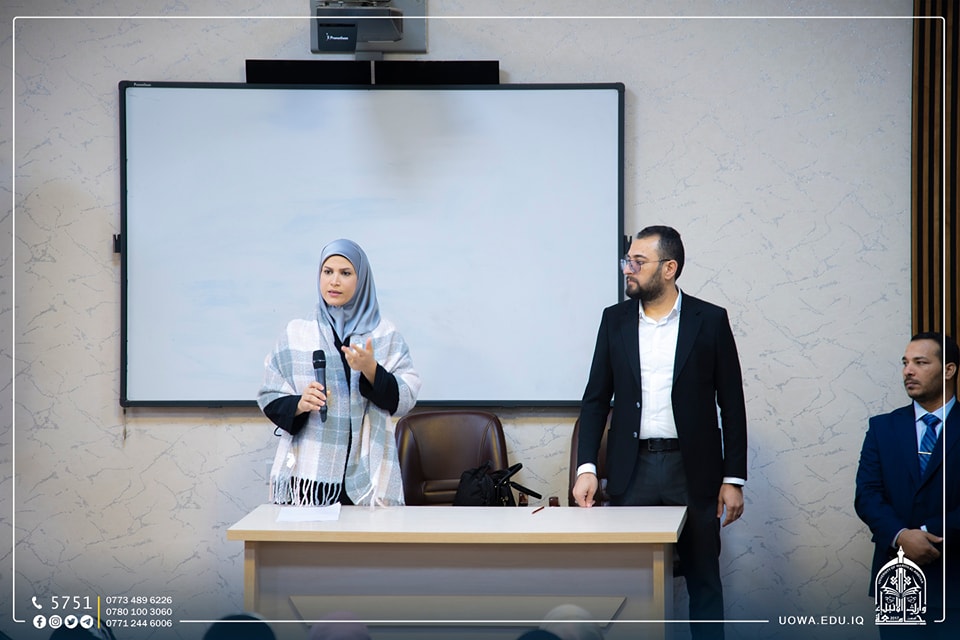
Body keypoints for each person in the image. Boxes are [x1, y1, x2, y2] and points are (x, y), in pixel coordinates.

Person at [572, 225, 748, 640]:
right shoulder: (614, 320)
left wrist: (733, 478)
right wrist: (586, 468)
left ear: (669, 268)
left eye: (638, 262)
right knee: (629, 584)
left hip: (694, 472)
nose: (627, 269)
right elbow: (595, 400)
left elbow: (732, 404)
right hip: (632, 471)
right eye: (627, 260)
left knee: (704, 582)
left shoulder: (710, 320)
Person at [258, 239, 421, 506]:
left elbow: (407, 396)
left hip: (370, 479)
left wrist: (371, 370)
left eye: (345, 273)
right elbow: (269, 396)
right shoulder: (297, 332)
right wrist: (300, 404)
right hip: (310, 481)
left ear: (362, 279)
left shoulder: (384, 334)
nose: (334, 281)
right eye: (327, 272)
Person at [855, 332, 958, 638]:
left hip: (955, 582)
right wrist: (901, 536)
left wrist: (925, 534)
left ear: (949, 370)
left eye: (920, 362)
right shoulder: (882, 427)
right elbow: (867, 495)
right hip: (898, 584)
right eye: (905, 363)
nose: (908, 371)